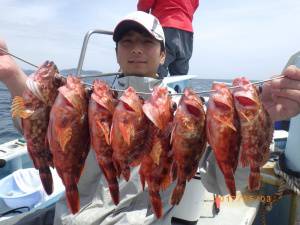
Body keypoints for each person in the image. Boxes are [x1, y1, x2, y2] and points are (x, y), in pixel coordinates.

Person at [1, 10, 300, 225]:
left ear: (162, 55)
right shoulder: (87, 99)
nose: (136, 49)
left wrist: (257, 127)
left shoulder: (189, 110)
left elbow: (223, 184)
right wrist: (13, 75)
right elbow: (38, 122)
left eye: (147, 42)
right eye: (127, 42)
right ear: (117, 52)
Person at [137, 0, 199, 78]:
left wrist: (142, 17)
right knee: (180, 74)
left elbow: (143, 4)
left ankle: (155, 88)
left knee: (157, 67)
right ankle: (179, 89)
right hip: (187, 31)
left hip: (165, 26)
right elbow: (194, 6)